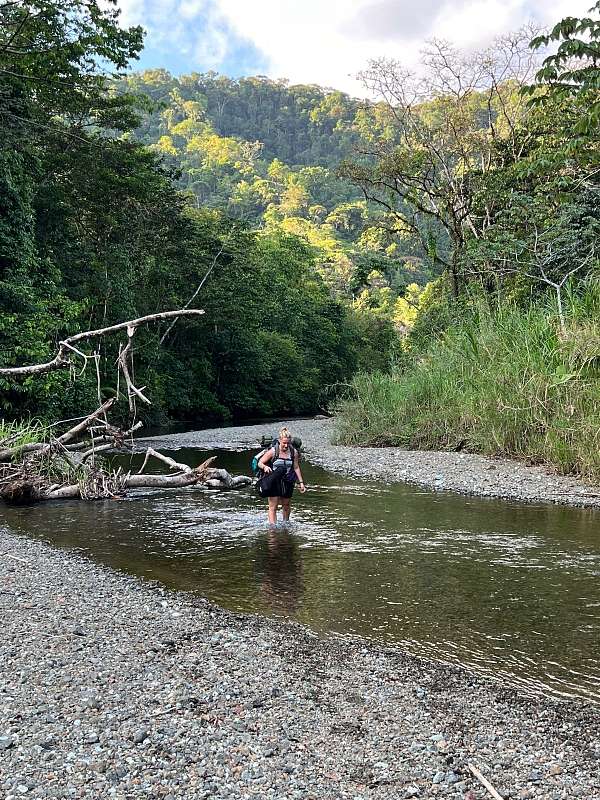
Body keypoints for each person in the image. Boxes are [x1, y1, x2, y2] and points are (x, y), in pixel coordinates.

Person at [257, 426, 306, 525]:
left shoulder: (294, 452)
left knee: (286, 505)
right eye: (284, 443)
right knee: (273, 506)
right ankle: (272, 528)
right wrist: (265, 467)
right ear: (279, 441)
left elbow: (296, 467)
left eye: (288, 443)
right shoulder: (273, 451)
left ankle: (285, 524)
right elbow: (260, 462)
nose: (286, 445)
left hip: (288, 480)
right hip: (273, 480)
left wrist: (301, 483)